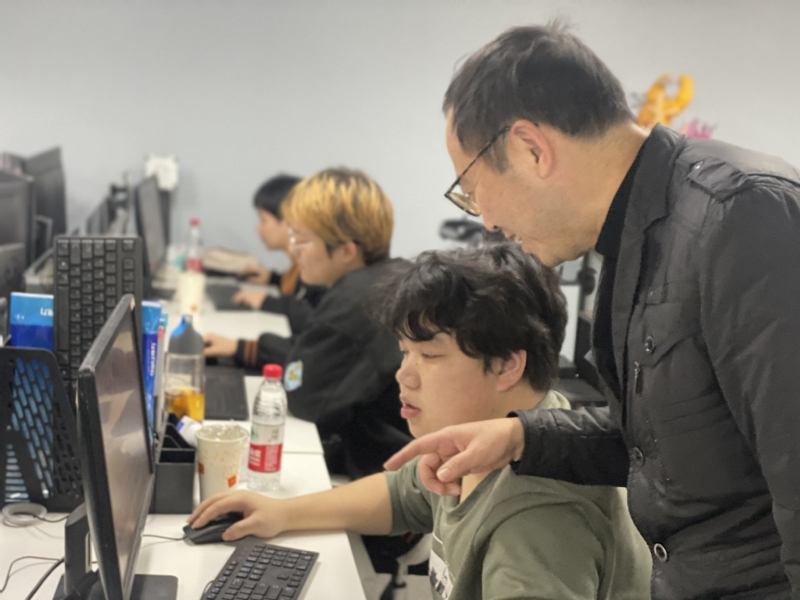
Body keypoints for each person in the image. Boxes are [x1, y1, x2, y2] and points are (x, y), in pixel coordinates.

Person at [384, 22, 800, 599]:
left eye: (473, 191)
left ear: (531, 149)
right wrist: (519, 437)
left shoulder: (742, 217)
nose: (487, 221)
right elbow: (661, 439)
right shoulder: (635, 238)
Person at [189, 244, 652, 600]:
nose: (403, 375)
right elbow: (402, 494)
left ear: (507, 365)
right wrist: (281, 513)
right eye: (404, 352)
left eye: (429, 356)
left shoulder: (536, 524)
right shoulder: (496, 429)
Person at [204, 167, 411, 480]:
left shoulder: (354, 302)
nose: (293, 251)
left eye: (301, 241)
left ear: (347, 251)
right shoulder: (387, 277)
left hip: (377, 471)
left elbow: (303, 396)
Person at [232, 174, 325, 333]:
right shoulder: (296, 269)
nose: (258, 228)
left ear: (289, 221)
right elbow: (296, 290)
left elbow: (314, 319)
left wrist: (267, 301)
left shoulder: (317, 271)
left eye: (263, 219)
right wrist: (273, 279)